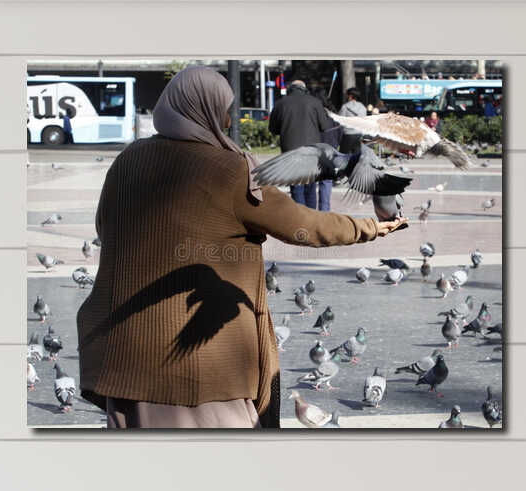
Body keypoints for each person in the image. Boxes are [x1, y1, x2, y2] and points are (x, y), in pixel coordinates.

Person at [77, 65, 406, 429]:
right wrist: (370, 228)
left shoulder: (128, 160)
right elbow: (303, 226)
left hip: (128, 359)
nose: (228, 117)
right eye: (225, 109)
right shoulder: (230, 169)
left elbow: (103, 228)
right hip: (204, 370)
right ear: (209, 109)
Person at [268, 78, 341, 211]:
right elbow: (324, 126)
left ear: (291, 88)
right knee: (310, 186)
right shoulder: (315, 102)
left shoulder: (280, 103)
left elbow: (273, 129)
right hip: (312, 151)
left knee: (296, 186)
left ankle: (299, 215)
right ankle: (311, 215)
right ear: (304, 89)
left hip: (290, 152)